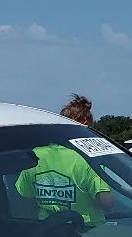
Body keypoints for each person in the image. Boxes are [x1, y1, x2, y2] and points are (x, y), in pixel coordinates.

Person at [12, 93, 116, 229]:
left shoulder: (34, 157)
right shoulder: (87, 159)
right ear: (84, 125)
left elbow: (24, 198)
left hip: (46, 232)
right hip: (88, 234)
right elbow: (106, 203)